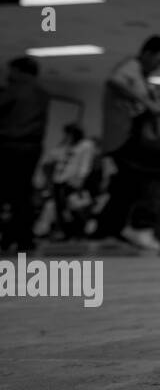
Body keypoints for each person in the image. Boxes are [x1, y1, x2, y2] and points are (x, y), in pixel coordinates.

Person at [96, 36, 160, 252]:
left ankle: (110, 231)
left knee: (127, 185)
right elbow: (115, 81)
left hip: (129, 136)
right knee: (159, 174)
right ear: (147, 53)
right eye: (158, 61)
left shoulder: (143, 75)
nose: (159, 66)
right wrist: (147, 103)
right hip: (125, 135)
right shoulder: (131, 67)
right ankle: (138, 226)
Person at [0, 56, 51, 252]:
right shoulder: (43, 94)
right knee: (22, 193)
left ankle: (7, 237)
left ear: (19, 71)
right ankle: (22, 238)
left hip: (9, 145)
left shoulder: (13, 89)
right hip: (32, 147)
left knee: (6, 192)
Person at [49, 124, 96, 239]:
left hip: (74, 180)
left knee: (76, 207)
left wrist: (81, 178)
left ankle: (79, 231)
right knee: (61, 208)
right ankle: (65, 231)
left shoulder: (85, 145)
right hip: (59, 180)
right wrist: (63, 144)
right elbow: (52, 156)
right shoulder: (67, 146)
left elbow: (86, 163)